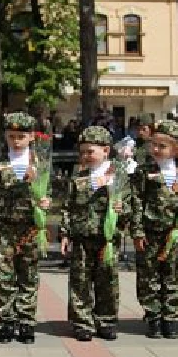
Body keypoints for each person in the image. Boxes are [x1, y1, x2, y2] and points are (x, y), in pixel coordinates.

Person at [0, 112, 51, 344]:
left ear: (31, 136)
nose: (16, 140)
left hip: (30, 230)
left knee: (29, 276)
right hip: (5, 230)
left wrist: (45, 203)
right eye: (11, 136)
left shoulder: (39, 163)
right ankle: (6, 321)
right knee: (5, 277)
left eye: (21, 136)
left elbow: (47, 194)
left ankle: (26, 322)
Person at [59, 125, 123, 341]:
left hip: (107, 239)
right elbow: (69, 206)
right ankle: (82, 323)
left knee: (107, 282)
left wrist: (123, 210)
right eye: (83, 151)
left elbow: (131, 204)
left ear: (106, 150)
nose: (85, 156)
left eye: (90, 151)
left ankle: (106, 321)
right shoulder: (79, 177)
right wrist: (65, 233)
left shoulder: (118, 175)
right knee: (80, 282)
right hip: (82, 237)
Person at [129, 119, 178, 339]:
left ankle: (170, 318)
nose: (155, 149)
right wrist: (136, 231)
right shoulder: (144, 170)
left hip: (173, 232)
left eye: (162, 146)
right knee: (148, 276)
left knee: (172, 275)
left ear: (177, 149)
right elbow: (135, 200)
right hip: (149, 231)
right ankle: (153, 316)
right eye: (153, 144)